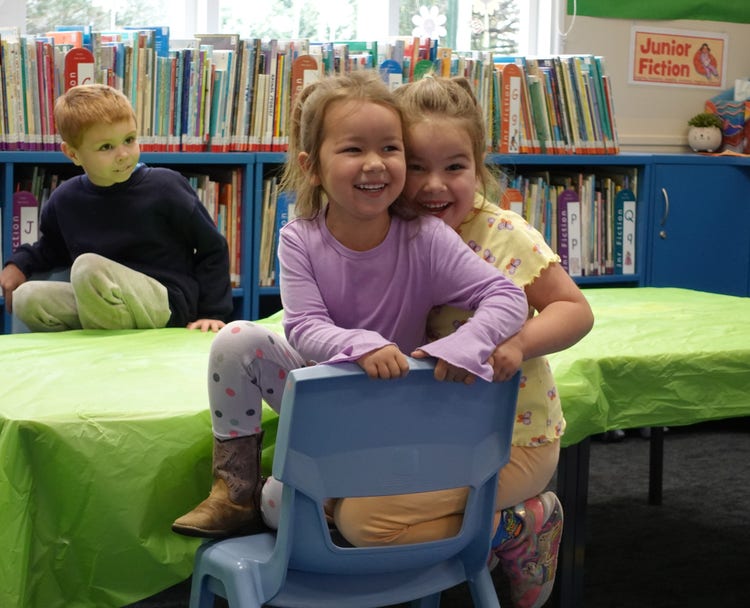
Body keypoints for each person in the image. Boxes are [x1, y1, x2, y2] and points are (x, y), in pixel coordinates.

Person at [171, 70, 529, 539]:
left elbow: (506, 296)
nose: (375, 163)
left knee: (289, 506)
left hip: (394, 413)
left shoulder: (426, 237)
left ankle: (349, 508)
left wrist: (470, 342)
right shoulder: (299, 238)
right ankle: (235, 491)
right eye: (353, 149)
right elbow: (302, 327)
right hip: (324, 403)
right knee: (238, 342)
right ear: (312, 167)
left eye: (390, 148)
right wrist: (361, 344)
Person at [391, 75, 595, 608]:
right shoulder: (390, 229)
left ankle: (521, 524)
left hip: (516, 441)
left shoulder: (505, 234)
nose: (435, 184)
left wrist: (518, 344)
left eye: (454, 167)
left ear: (478, 166)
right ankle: (472, 542)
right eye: (416, 166)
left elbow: (574, 310)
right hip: (432, 432)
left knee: (397, 510)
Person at [0, 84, 232, 332]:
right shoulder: (64, 200)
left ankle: (104, 344)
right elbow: (50, 249)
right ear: (73, 154)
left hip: (164, 301)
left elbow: (212, 247)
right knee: (28, 297)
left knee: (87, 267)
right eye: (106, 147)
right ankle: (104, 331)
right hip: (99, 302)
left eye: (129, 140)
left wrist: (212, 312)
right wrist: (18, 264)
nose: (123, 154)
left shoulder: (166, 186)